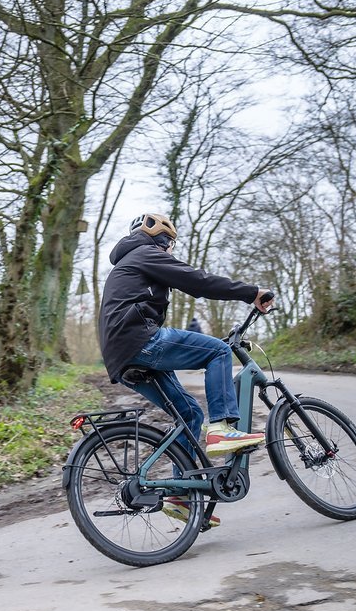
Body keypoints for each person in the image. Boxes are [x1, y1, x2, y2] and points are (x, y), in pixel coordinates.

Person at [97, 213, 274, 526]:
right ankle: (221, 429)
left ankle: (179, 496)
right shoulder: (146, 253)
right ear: (161, 239)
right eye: (169, 244)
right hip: (139, 339)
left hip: (121, 356)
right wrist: (251, 292)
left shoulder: (127, 261)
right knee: (218, 351)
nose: (169, 250)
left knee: (190, 413)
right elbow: (199, 282)